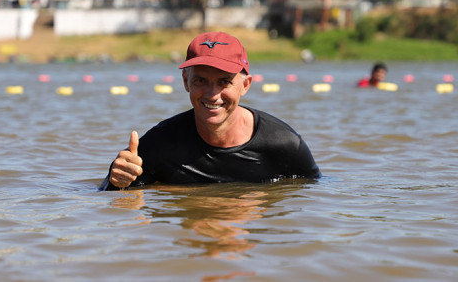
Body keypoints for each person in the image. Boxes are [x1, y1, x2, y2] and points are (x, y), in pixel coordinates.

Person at [99, 31, 321, 191]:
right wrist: (115, 180)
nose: (212, 94)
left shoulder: (284, 144)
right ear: (186, 82)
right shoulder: (161, 144)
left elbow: (316, 196)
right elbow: (112, 198)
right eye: (201, 80)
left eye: (224, 82)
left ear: (246, 85)